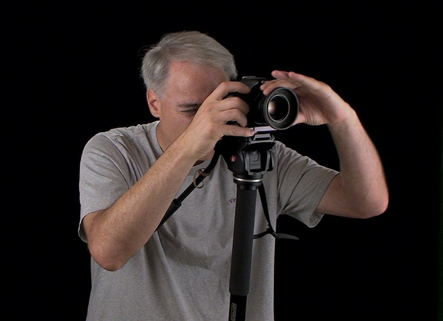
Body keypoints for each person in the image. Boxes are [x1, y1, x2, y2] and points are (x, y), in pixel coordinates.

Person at [78, 30, 389, 321]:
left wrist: (343, 118)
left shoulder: (259, 154)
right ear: (154, 102)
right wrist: (190, 146)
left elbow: (366, 202)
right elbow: (109, 252)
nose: (208, 121)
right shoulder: (113, 149)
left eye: (219, 104)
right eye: (192, 110)